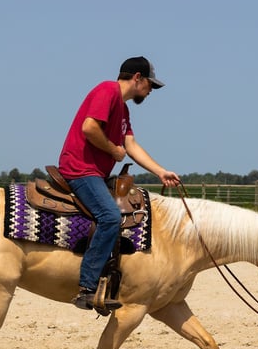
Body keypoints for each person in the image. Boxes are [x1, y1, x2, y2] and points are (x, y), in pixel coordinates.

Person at [58, 56, 181, 311]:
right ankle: (87, 287)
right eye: (150, 85)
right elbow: (89, 127)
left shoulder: (123, 109)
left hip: (95, 173)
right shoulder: (107, 90)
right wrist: (112, 150)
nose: (150, 91)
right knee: (110, 216)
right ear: (137, 78)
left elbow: (131, 145)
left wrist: (160, 171)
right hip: (80, 170)